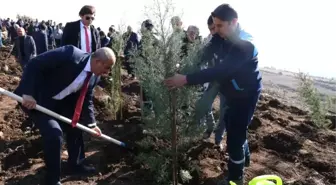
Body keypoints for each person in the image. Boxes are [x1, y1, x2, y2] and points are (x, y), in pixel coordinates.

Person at [164, 4, 261, 185]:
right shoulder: (221, 36)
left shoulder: (246, 44)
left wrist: (185, 79)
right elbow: (204, 54)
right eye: (213, 26)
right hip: (230, 91)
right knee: (235, 129)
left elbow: (220, 71)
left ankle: (235, 178)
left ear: (233, 22)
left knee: (234, 137)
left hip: (245, 95)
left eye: (219, 26)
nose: (215, 31)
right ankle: (244, 158)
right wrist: (185, 67)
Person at [14, 45, 116, 185]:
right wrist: (28, 93)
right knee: (54, 134)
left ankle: (76, 165)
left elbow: (87, 98)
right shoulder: (70, 54)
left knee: (76, 126)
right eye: (107, 67)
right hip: (37, 100)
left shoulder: (94, 77)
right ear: (98, 61)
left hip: (60, 102)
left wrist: (92, 124)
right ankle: (52, 179)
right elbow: (35, 63)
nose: (107, 72)